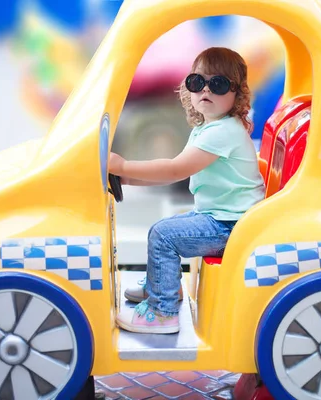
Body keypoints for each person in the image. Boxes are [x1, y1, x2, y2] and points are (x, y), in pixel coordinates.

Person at [108, 47, 265, 334]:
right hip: (222, 217)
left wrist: (125, 164)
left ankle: (163, 311)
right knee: (169, 225)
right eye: (197, 82)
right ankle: (164, 286)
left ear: (236, 94)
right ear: (188, 89)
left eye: (217, 84)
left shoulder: (222, 132)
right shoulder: (208, 128)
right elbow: (173, 172)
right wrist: (127, 179)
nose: (206, 89)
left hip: (232, 225)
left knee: (164, 235)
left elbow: (174, 169)